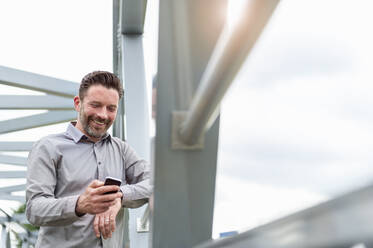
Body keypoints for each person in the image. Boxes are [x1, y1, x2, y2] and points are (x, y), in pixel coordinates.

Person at [26, 71, 152, 247]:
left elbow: (155, 183)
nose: (103, 115)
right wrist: (79, 204)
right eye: (96, 105)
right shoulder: (48, 147)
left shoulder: (122, 149)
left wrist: (119, 197)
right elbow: (34, 209)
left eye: (111, 108)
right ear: (78, 103)